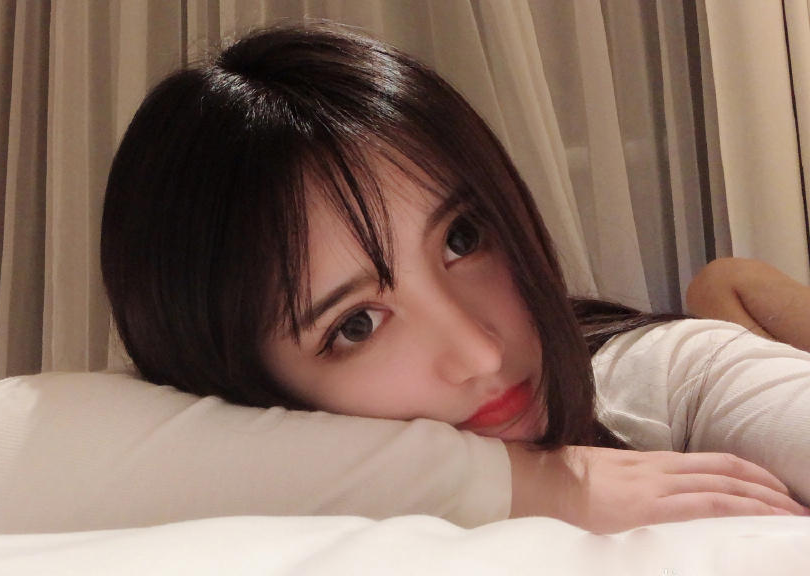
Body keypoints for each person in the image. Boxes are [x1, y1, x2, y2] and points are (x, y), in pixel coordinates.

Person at [100, 23, 810, 533]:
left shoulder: (652, 379)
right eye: (356, 325)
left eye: (462, 239)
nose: (481, 352)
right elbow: (32, 448)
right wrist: (521, 488)